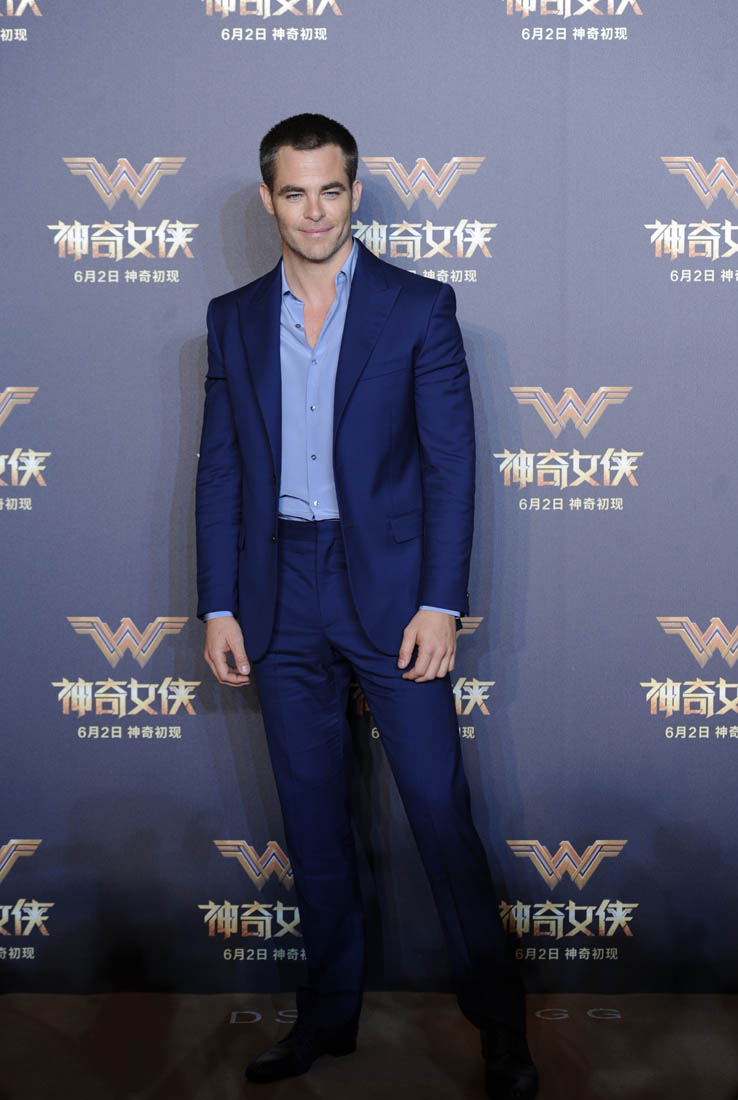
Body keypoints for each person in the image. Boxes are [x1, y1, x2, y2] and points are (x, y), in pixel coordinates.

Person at [195, 113, 538, 1100]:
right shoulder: (232, 318)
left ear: (354, 193)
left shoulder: (419, 306)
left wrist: (440, 602)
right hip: (276, 591)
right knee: (313, 821)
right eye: (294, 192)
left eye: (331, 190)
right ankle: (327, 1016)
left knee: (438, 810)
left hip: (390, 591)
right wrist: (218, 604)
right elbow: (220, 471)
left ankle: (501, 1027)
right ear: (270, 199)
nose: (315, 211)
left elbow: (451, 468)